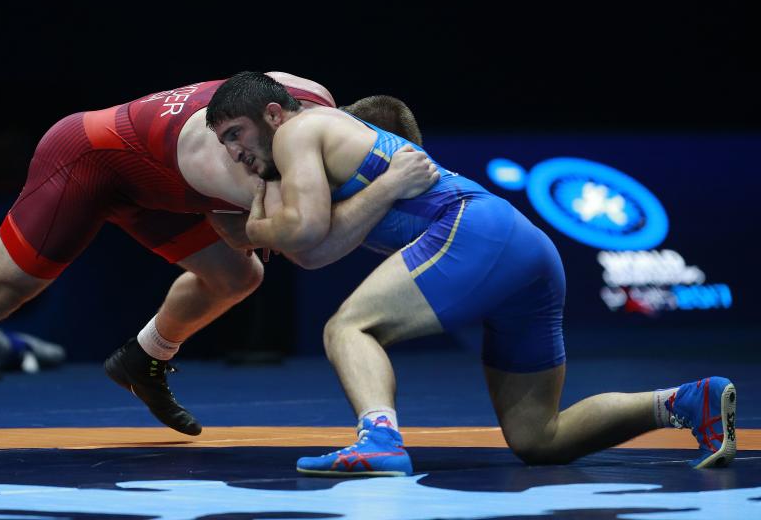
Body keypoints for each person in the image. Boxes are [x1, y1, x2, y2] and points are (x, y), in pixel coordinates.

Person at [0, 72, 435, 457]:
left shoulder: (312, 104)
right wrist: (381, 192)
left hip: (162, 181)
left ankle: (143, 357)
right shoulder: (254, 160)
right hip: (88, 160)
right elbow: (295, 242)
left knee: (239, 276)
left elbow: (255, 233)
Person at [206, 71, 738, 475]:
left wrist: (253, 227)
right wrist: (381, 189)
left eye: (235, 134)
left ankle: (380, 439)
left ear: (274, 114)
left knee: (348, 328)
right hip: (524, 247)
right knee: (539, 438)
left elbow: (301, 235)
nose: (233, 153)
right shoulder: (331, 151)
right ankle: (687, 401)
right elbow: (315, 251)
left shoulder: (300, 130)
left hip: (475, 231)